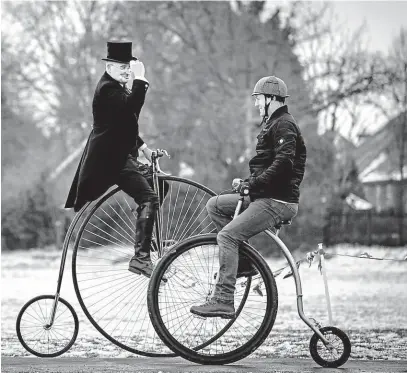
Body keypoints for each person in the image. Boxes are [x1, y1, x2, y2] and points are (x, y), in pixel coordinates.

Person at [190, 76, 307, 319]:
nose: (255, 104)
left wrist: (252, 185)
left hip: (278, 201)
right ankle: (243, 263)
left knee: (228, 236)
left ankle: (222, 300)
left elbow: (283, 164)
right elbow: (269, 166)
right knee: (215, 205)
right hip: (265, 196)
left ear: (271, 99)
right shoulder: (274, 123)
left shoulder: (284, 124)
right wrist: (247, 184)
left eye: (258, 99)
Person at [65, 41, 167, 278]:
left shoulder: (116, 88)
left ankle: (145, 239)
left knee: (160, 185)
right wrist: (141, 80)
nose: (126, 70)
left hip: (120, 154)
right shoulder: (108, 90)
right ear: (109, 66)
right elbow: (132, 109)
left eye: (128, 66)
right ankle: (141, 259)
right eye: (121, 66)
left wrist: (145, 149)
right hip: (110, 160)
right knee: (149, 198)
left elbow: (124, 126)